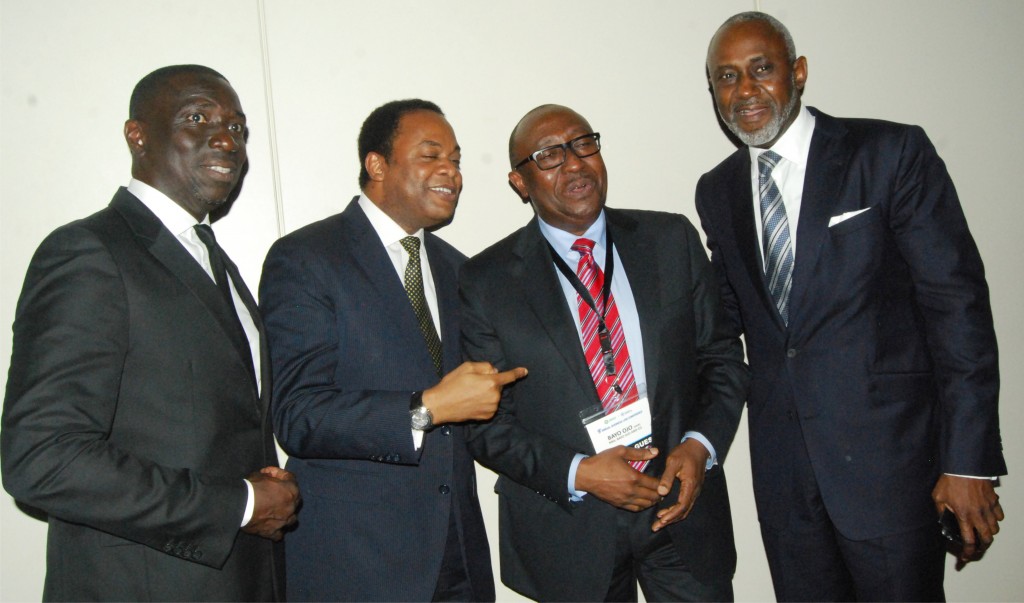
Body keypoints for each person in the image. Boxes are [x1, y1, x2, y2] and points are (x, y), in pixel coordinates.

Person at [696, 12, 1007, 601]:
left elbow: (957, 307)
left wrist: (968, 462)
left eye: (761, 69)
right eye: (726, 77)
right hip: (787, 481)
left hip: (891, 471)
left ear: (799, 72)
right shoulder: (717, 190)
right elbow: (728, 321)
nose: (745, 90)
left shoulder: (889, 152)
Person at [1, 64, 299, 601]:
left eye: (238, 127)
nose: (226, 138)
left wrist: (262, 489)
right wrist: (239, 505)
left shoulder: (214, 261)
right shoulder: (90, 253)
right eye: (197, 116)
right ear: (137, 135)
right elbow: (42, 458)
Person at [459, 104, 749, 602]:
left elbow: (722, 358)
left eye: (583, 144)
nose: (574, 163)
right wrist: (580, 472)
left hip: (680, 511)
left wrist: (700, 444)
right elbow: (485, 425)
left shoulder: (670, 239)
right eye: (549, 155)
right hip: (568, 529)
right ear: (520, 182)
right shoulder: (485, 282)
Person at [259, 99, 526, 602]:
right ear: (376, 165)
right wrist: (426, 409)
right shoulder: (306, 258)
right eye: (431, 155)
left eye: (457, 159)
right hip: (356, 562)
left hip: (458, 557)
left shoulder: (458, 270)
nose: (452, 171)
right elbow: (296, 413)